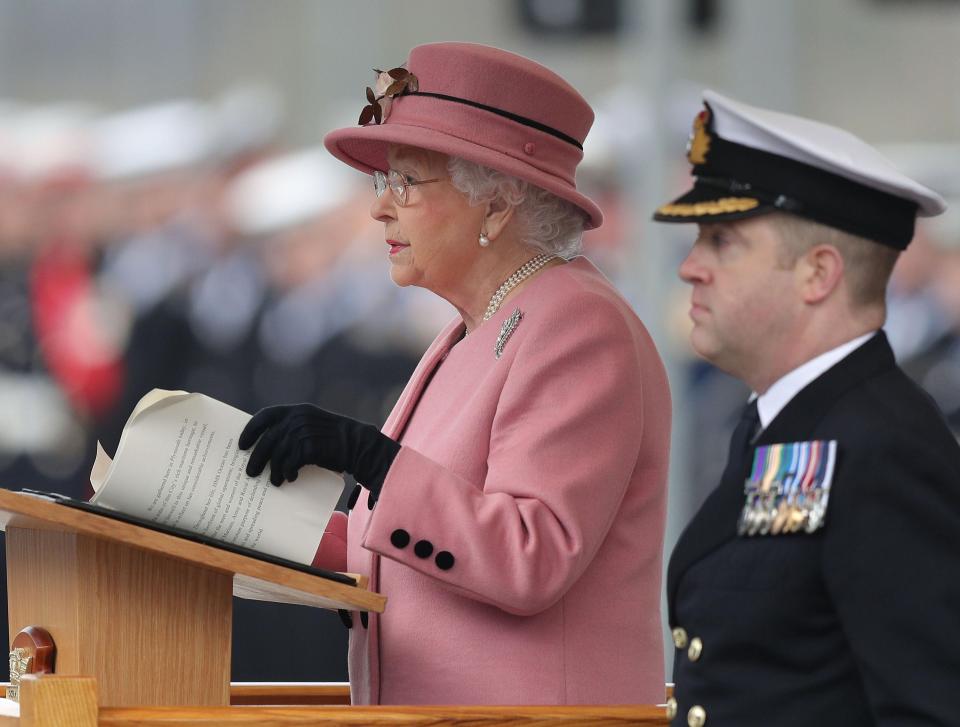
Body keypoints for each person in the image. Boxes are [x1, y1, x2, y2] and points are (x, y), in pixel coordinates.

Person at [237, 42, 671, 705]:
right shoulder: (479, 323)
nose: (381, 208)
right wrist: (227, 521)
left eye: (406, 181)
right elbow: (400, 552)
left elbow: (531, 553)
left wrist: (373, 459)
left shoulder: (579, 325)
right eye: (384, 183)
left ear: (496, 205)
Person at [654, 90, 960, 727]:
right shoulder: (786, 421)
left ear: (818, 274)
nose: (690, 268)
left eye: (720, 241)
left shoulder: (884, 448)